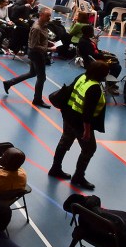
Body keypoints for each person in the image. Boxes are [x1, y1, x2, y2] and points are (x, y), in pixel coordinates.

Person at [47, 60, 109, 190]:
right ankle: (78, 177)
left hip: (69, 116)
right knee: (89, 149)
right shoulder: (95, 88)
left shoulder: (81, 77)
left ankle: (55, 168)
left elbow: (69, 91)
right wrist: (87, 131)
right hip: (80, 123)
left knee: (64, 142)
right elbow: (88, 112)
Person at [3, 7, 52, 108]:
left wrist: (50, 44)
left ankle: (8, 83)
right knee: (41, 78)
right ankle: (37, 99)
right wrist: (50, 49)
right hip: (36, 54)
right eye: (48, 16)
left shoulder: (44, 26)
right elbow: (34, 45)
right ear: (41, 15)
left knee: (32, 73)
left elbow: (42, 40)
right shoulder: (37, 28)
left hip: (38, 53)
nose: (49, 18)